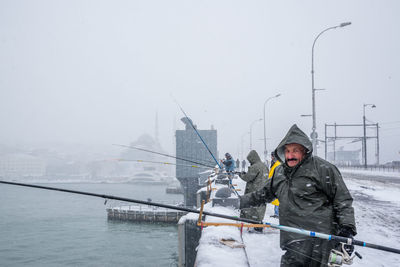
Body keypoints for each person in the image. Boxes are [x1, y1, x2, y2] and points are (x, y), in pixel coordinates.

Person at [240, 124, 356, 266]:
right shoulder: (279, 172)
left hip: (321, 241)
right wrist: (238, 202)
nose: (290, 155)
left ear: (305, 151)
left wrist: (347, 230)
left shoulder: (323, 169)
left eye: (295, 150)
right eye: (287, 151)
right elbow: (263, 194)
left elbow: (342, 200)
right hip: (292, 239)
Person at [238, 150, 269, 230]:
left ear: (252, 158)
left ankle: (256, 225)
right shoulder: (263, 165)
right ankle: (258, 224)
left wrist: (241, 175)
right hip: (263, 190)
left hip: (254, 190)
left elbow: (248, 178)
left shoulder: (255, 166)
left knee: (252, 208)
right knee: (260, 207)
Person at [268, 151, 280, 218]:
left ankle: (277, 213)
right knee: (276, 199)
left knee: (277, 199)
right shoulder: (274, 163)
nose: (271, 157)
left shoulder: (277, 164)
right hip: (273, 182)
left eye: (272, 156)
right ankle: (276, 213)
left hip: (276, 183)